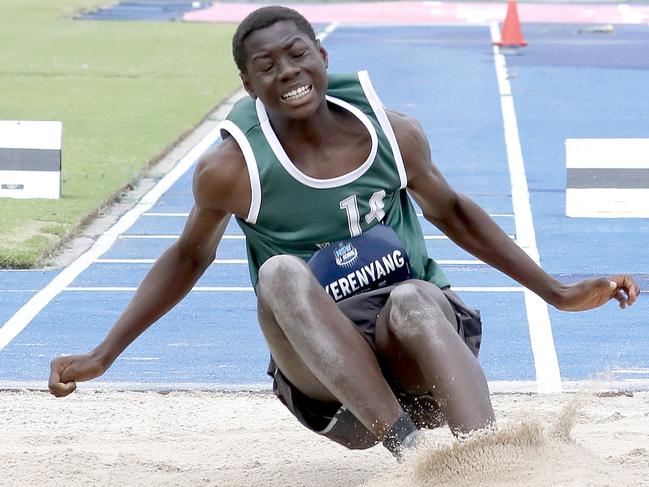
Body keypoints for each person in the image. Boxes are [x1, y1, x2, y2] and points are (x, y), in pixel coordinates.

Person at [49, 6, 640, 460]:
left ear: (322, 55)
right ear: (249, 86)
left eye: (297, 53)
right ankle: (415, 456)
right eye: (267, 66)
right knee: (280, 273)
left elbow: (454, 212)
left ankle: (489, 462)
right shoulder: (232, 169)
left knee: (411, 297)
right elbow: (186, 258)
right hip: (332, 388)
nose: (288, 72)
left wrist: (557, 292)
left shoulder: (394, 134)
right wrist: (105, 353)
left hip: (421, 351)